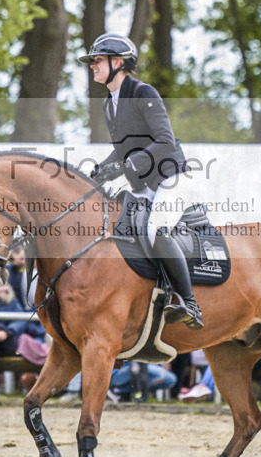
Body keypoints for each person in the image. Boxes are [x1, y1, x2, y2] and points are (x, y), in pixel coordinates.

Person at [79, 32, 203, 329]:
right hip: (145, 185)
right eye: (93, 61)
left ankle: (189, 303)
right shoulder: (109, 104)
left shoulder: (143, 92)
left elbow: (165, 140)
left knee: (154, 229)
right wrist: (99, 170)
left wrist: (127, 164)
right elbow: (122, 149)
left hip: (173, 178)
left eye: (97, 60)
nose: (93, 66)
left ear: (117, 62)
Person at [109, 360, 177, 402]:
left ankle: (124, 391)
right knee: (137, 368)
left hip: (144, 369)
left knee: (170, 379)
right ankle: (122, 391)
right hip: (117, 373)